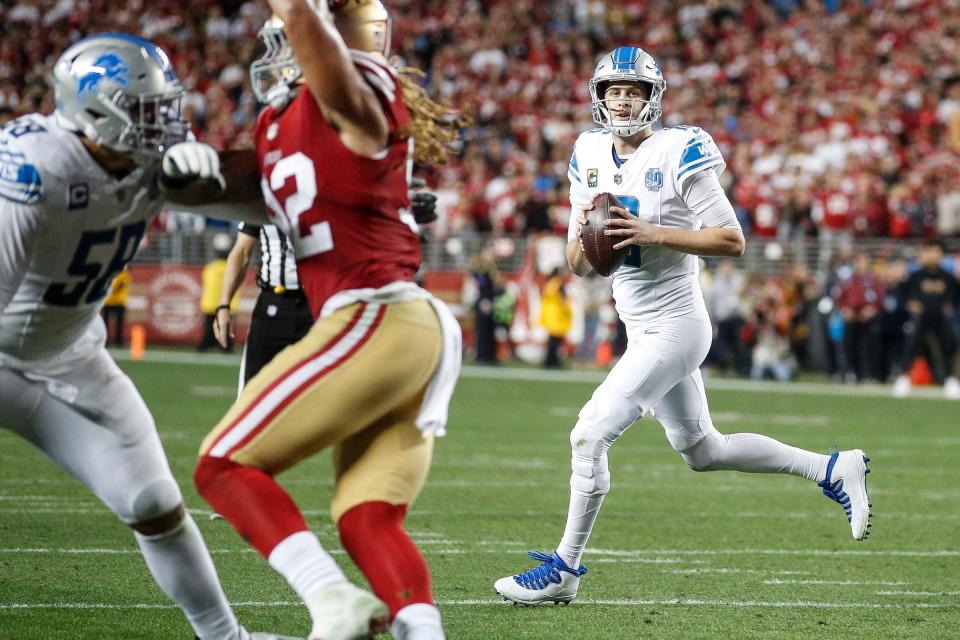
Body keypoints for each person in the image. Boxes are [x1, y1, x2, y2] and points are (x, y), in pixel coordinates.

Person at [494, 46, 873, 606]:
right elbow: (579, 263)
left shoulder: (678, 149)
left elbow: (731, 239)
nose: (623, 101)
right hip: (640, 325)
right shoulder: (588, 151)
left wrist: (651, 232)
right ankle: (831, 468)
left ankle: (563, 571)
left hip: (677, 324)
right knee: (703, 451)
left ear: (653, 98)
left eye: (634, 91)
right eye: (613, 91)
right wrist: (590, 236)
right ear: (599, 98)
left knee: (588, 433)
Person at [0, 33, 291, 640]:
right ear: (96, 112)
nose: (162, 123)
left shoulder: (153, 156)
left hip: (72, 353)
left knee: (155, 504)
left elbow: (275, 202)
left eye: (163, 108)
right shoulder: (32, 166)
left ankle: (224, 638)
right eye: (144, 111)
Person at [189, 2, 466, 639]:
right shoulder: (279, 122)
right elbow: (250, 191)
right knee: (365, 515)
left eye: (290, 36)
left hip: (375, 312)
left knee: (221, 465)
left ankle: (330, 600)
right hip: (399, 326)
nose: (278, 51)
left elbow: (344, 95)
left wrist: (300, 10)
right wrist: (181, 176)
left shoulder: (362, 85)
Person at [215, 198, 439, 390]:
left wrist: (402, 216)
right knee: (251, 399)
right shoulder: (265, 196)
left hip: (321, 304)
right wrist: (224, 305)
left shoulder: (328, 189)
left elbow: (365, 223)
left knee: (324, 399)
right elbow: (242, 252)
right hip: (273, 304)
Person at [892, 241, 960, 399]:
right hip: (921, 318)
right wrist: (909, 304)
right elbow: (902, 291)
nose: (933, 255)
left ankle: (949, 379)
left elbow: (956, 293)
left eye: (936, 252)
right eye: (930, 251)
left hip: (941, 318)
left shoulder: (948, 277)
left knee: (948, 346)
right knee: (911, 346)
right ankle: (903, 378)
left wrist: (951, 305)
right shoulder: (916, 276)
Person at [198, 232, 236, 352]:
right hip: (226, 305)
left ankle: (206, 346)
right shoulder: (232, 268)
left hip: (210, 305)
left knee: (209, 329)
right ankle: (224, 347)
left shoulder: (210, 268)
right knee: (225, 331)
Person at [539, 267, 572, 368]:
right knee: (555, 341)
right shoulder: (558, 283)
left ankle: (550, 360)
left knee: (552, 340)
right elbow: (563, 299)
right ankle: (552, 360)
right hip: (557, 316)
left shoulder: (550, 283)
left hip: (550, 315)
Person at [101, 267, 131, 346]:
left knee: (112, 323)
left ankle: (113, 340)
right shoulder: (124, 275)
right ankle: (113, 340)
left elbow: (116, 287)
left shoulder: (122, 275)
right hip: (115, 301)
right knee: (110, 323)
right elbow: (116, 288)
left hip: (113, 301)